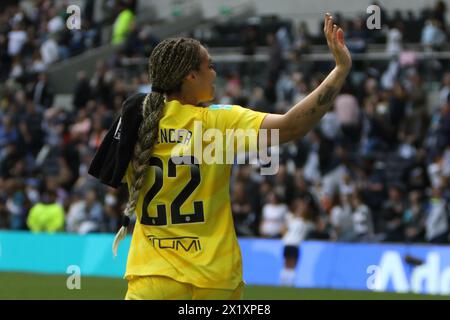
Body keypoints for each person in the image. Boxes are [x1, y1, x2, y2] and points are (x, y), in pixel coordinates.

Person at [93, 13, 351, 300]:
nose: (215, 73)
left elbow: (111, 176)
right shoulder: (219, 121)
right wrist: (340, 69)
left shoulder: (133, 121)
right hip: (214, 279)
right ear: (191, 76)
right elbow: (291, 126)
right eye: (209, 66)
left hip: (153, 278)